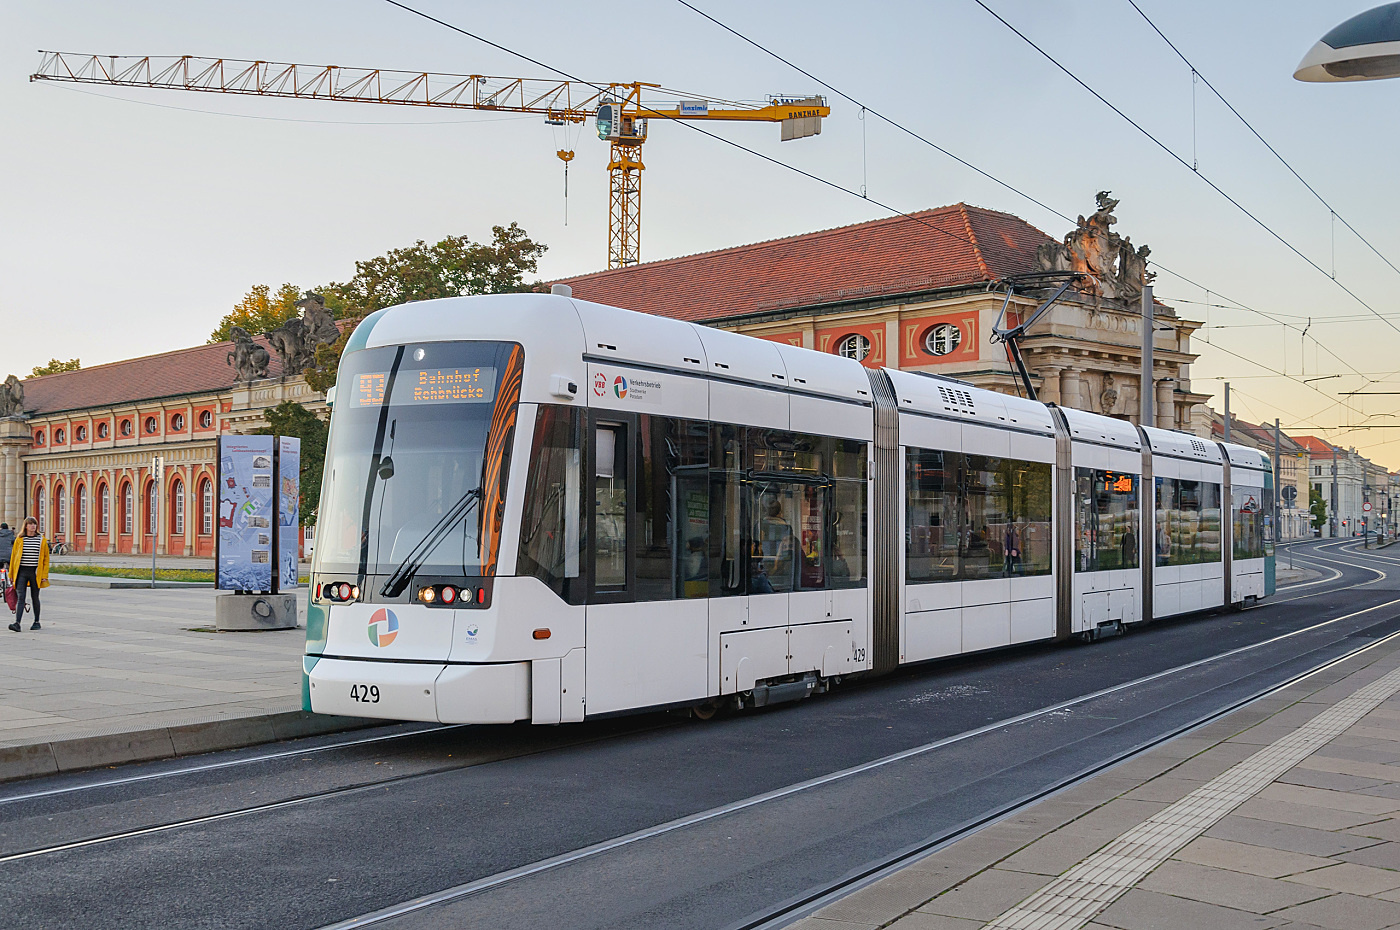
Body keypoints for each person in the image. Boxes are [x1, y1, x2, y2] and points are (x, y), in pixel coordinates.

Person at [9, 517, 48, 632]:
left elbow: (46, 559)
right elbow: (14, 558)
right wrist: (11, 574)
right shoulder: (20, 540)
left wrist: (45, 575)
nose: (33, 526)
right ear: (26, 526)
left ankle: (36, 621)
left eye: (34, 524)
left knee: (35, 597)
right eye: (30, 524)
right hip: (21, 572)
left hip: (35, 572)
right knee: (21, 597)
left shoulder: (41, 540)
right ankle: (17, 623)